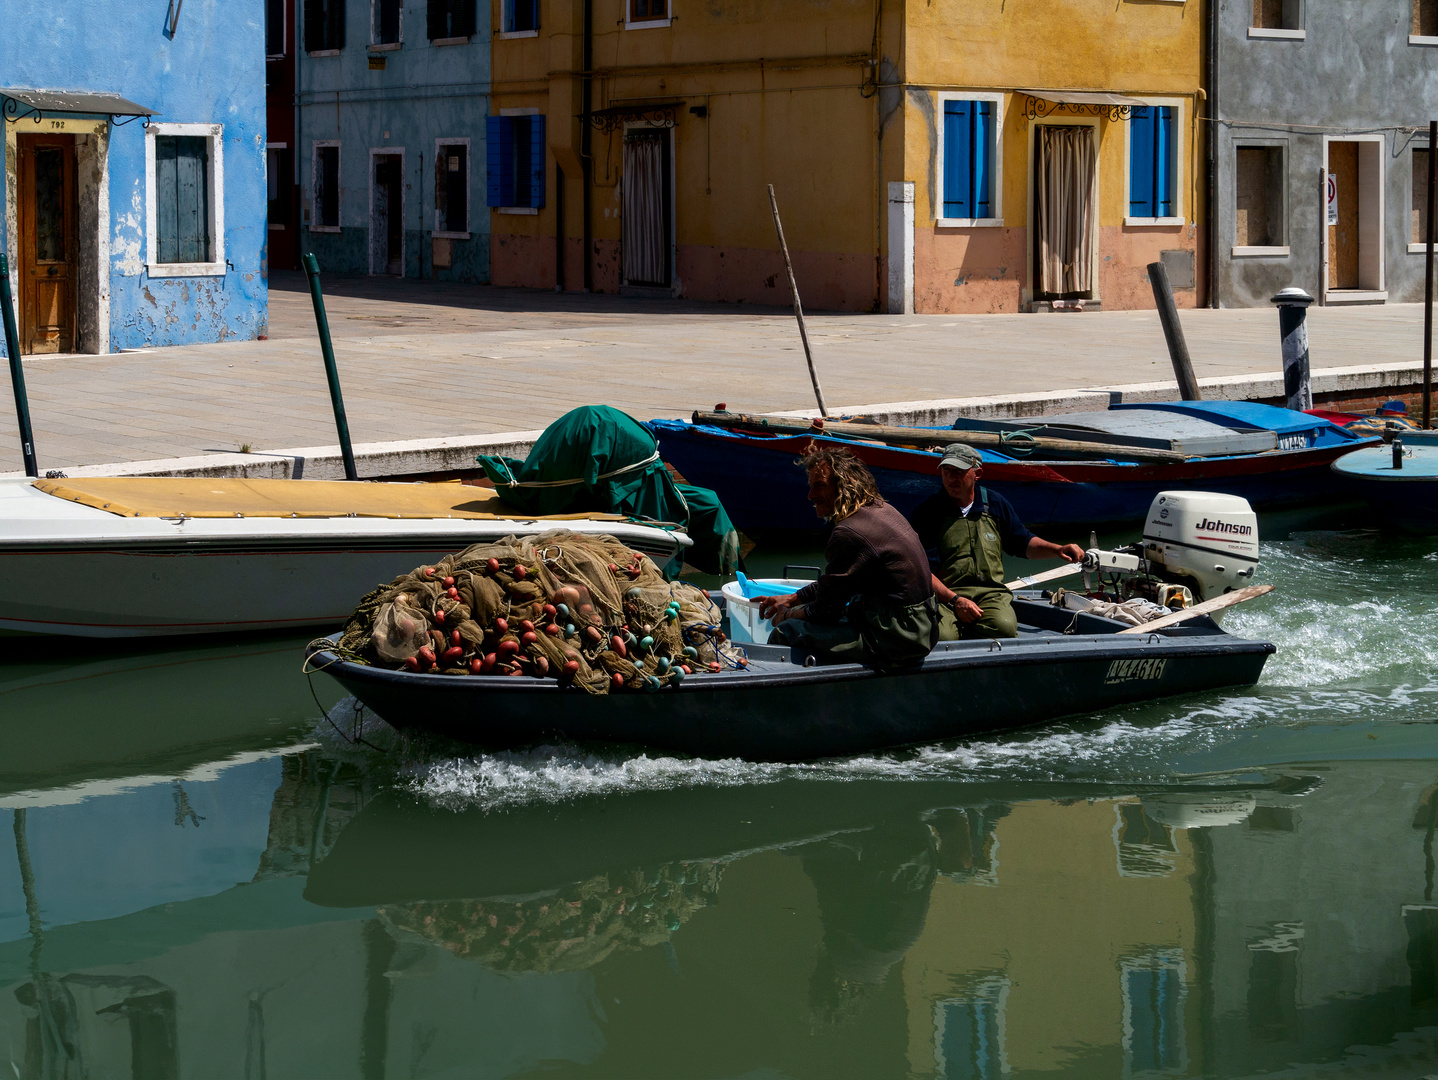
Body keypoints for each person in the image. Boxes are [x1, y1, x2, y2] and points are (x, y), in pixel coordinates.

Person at [757, 446, 938, 666]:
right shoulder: (883, 510)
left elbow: (825, 611)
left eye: (819, 486)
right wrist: (795, 598)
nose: (811, 495)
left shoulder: (849, 533)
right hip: (921, 627)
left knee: (787, 631)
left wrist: (786, 615)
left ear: (843, 487)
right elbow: (838, 584)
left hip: (896, 637)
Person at [912, 443, 1085, 640]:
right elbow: (922, 571)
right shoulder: (928, 512)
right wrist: (956, 601)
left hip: (990, 594)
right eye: (946, 471)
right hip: (945, 597)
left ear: (977, 474)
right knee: (942, 638)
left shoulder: (994, 504)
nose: (951, 478)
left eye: (959, 472)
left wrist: (1057, 549)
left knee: (1003, 628)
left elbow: (1022, 542)